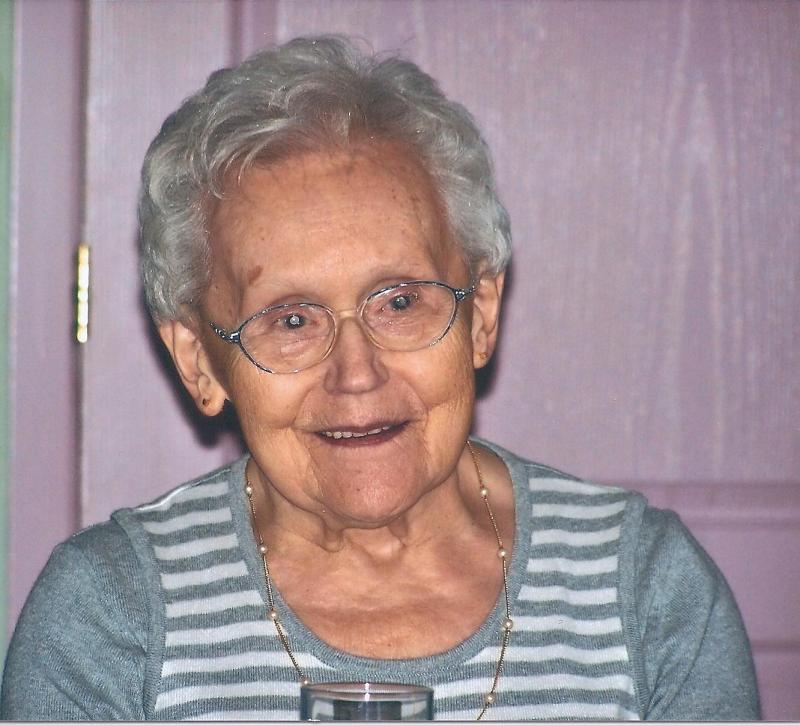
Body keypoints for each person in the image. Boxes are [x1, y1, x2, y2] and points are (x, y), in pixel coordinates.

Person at [1, 36, 759, 721]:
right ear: (200, 360)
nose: (356, 374)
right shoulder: (111, 616)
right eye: (291, 319)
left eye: (399, 301)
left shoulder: (643, 591)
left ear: (480, 313)